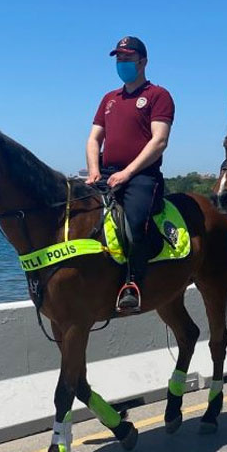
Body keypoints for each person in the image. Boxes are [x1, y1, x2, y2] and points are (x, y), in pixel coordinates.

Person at [86, 36, 175, 313]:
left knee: (135, 223)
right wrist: (93, 171)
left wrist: (127, 173)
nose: (122, 63)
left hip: (141, 176)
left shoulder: (158, 96)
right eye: (119, 58)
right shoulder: (108, 99)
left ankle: (132, 283)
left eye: (127, 58)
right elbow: (93, 140)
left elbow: (159, 141)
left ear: (143, 62)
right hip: (106, 174)